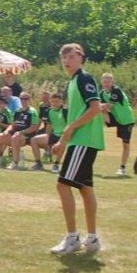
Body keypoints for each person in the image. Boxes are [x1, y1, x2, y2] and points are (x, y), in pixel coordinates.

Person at [49, 43, 104, 256]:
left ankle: (72, 238)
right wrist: (63, 141)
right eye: (64, 57)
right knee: (85, 189)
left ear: (82, 58)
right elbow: (81, 113)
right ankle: (93, 239)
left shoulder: (83, 78)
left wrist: (70, 130)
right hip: (81, 141)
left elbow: (95, 108)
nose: (67, 61)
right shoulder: (72, 82)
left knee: (62, 185)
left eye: (71, 56)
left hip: (84, 140)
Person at [99, 73, 136, 176]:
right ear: (101, 82)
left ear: (112, 82)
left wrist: (97, 106)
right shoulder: (102, 94)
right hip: (117, 119)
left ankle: (122, 168)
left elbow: (108, 106)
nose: (106, 84)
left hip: (126, 120)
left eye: (108, 81)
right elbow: (100, 106)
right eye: (104, 81)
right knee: (101, 112)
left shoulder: (116, 91)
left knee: (125, 144)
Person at [0, 92, 40, 170]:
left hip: (28, 135)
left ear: (29, 100)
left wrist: (21, 132)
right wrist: (7, 131)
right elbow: (12, 124)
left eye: (25, 99)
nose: (23, 101)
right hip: (17, 134)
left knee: (15, 137)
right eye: (21, 99)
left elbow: (34, 127)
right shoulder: (17, 111)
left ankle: (15, 163)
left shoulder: (32, 111)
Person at [30, 92, 67, 172]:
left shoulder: (65, 111)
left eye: (57, 101)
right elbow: (49, 125)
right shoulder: (49, 111)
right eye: (53, 101)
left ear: (61, 102)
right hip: (55, 134)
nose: (54, 103)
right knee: (33, 140)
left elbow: (70, 125)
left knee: (62, 144)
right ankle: (38, 163)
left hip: (65, 135)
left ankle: (56, 164)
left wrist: (63, 138)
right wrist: (47, 137)